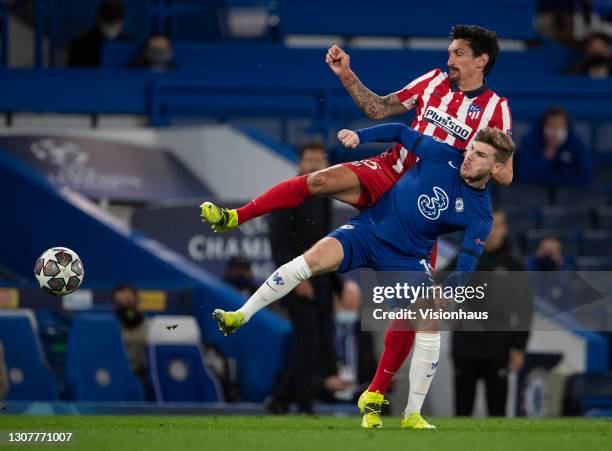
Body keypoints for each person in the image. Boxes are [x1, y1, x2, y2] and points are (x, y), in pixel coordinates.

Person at [201, 26, 513, 409]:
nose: (449, 60)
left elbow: (506, 172)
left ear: (481, 60)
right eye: (450, 52)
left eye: (458, 53)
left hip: (422, 206)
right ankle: (235, 216)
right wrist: (347, 74)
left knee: (410, 314)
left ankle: (377, 396)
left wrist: (467, 163)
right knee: (319, 180)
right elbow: (380, 109)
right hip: (386, 171)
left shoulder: (496, 108)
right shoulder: (432, 81)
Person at [212, 123, 515, 429]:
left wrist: (450, 292)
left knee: (429, 318)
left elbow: (468, 262)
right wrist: (361, 137)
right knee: (313, 258)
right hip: (368, 231)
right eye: (472, 149)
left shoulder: (480, 214)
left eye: (479, 155)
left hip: (406, 259)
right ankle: (240, 315)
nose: (469, 156)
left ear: (497, 167)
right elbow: (399, 131)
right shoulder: (443, 154)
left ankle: (411, 414)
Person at [264, 140, 340, 415]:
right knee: (307, 342)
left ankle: (281, 398)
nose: (314, 165)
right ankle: (304, 405)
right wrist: (295, 279)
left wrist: (336, 285)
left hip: (318, 280)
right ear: (299, 163)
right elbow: (278, 241)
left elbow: (327, 241)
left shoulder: (324, 197)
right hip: (296, 280)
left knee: (316, 343)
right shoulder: (289, 194)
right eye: (309, 160)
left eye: (318, 160)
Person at [450, 209, 533, 416]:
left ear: (504, 229)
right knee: (462, 412)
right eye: (487, 225)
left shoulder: (514, 267)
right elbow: (440, 287)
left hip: (498, 348)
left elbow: (524, 309)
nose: (491, 231)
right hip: (464, 346)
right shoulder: (463, 260)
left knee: (497, 413)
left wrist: (519, 347)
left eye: (496, 225)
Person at [517, 107, 593, 185]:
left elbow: (585, 174)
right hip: (536, 191)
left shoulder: (575, 143)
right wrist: (546, 157)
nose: (554, 132)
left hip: (567, 191)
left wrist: (556, 178)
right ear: (543, 127)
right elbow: (525, 173)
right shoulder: (530, 141)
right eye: (551, 126)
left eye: (559, 126)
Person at [68, 0, 131, 67]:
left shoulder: (127, 42)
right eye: (108, 24)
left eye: (116, 24)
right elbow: (73, 71)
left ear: (122, 22)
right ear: (99, 21)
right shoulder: (82, 43)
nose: (112, 28)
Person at [112, 283, 149, 391]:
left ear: (137, 302)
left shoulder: (151, 328)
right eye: (120, 303)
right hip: (117, 379)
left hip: (143, 378)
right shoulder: (110, 329)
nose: (125, 306)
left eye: (128, 300)